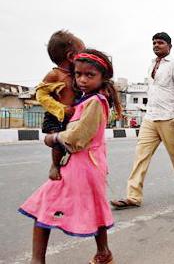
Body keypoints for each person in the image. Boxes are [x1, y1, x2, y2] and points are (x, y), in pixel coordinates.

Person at [19, 49, 122, 264]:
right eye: (78, 74)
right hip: (90, 165)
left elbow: (78, 138)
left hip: (83, 166)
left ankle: (37, 261)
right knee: (96, 209)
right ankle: (103, 254)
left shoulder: (95, 102)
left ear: (103, 77)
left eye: (89, 75)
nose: (82, 79)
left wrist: (53, 138)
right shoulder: (88, 99)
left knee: (44, 206)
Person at [110, 32, 174, 209]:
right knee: (140, 155)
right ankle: (133, 196)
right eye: (154, 42)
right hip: (150, 117)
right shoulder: (151, 65)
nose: (156, 45)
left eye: (160, 42)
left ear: (169, 46)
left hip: (168, 117)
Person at [35, 30, 85, 181]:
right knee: (58, 142)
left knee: (69, 141)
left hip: (72, 116)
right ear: (71, 57)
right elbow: (41, 94)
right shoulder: (55, 75)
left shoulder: (77, 74)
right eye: (82, 54)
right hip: (56, 115)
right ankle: (55, 165)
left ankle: (69, 165)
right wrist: (60, 109)